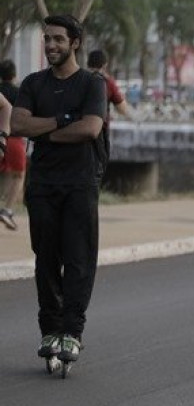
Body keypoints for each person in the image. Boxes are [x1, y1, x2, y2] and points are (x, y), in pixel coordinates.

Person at [11, 14, 108, 364]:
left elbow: (90, 128)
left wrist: (45, 133)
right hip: (43, 185)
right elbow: (18, 124)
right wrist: (61, 121)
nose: (51, 45)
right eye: (47, 39)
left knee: (78, 260)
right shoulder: (33, 83)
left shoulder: (92, 84)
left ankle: (72, 332)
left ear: (75, 43)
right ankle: (50, 330)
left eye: (58, 39)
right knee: (46, 258)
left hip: (81, 183)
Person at [0, 60, 25, 231]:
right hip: (14, 139)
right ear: (14, 75)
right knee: (18, 175)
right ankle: (7, 210)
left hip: (1, 137)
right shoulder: (19, 93)